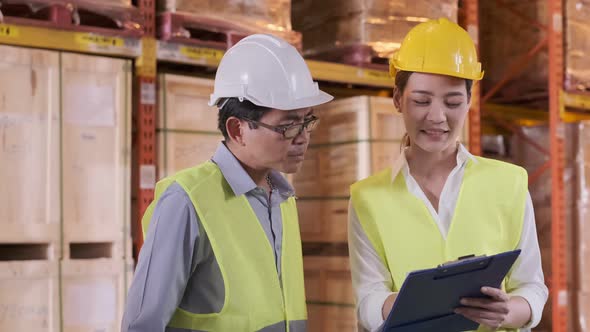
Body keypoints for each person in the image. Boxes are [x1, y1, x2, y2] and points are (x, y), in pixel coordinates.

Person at [121, 34, 333, 332]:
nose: (303, 138)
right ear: (237, 129)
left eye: (307, 121)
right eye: (288, 125)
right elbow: (142, 326)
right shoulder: (186, 202)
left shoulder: (282, 199)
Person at [348, 18, 548, 332]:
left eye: (453, 102)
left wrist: (508, 311)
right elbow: (367, 300)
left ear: (469, 101)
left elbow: (532, 286)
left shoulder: (509, 183)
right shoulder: (367, 198)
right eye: (421, 101)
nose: (437, 117)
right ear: (398, 100)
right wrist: (417, 302)